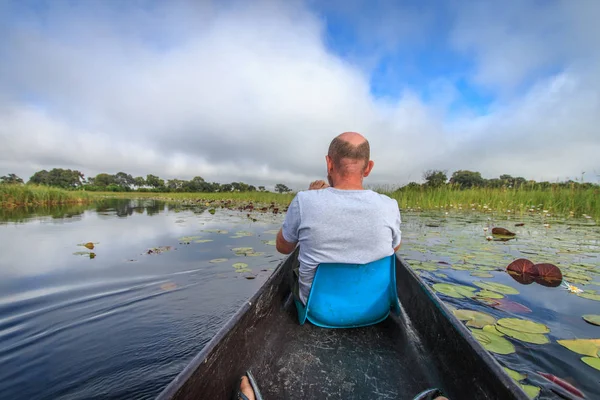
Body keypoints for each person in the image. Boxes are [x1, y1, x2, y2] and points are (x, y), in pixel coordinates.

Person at [275, 131, 402, 305]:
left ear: (329, 163)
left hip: (317, 310)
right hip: (374, 309)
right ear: (368, 168)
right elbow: (394, 248)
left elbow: (283, 248)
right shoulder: (390, 205)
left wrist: (313, 199)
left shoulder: (305, 200)